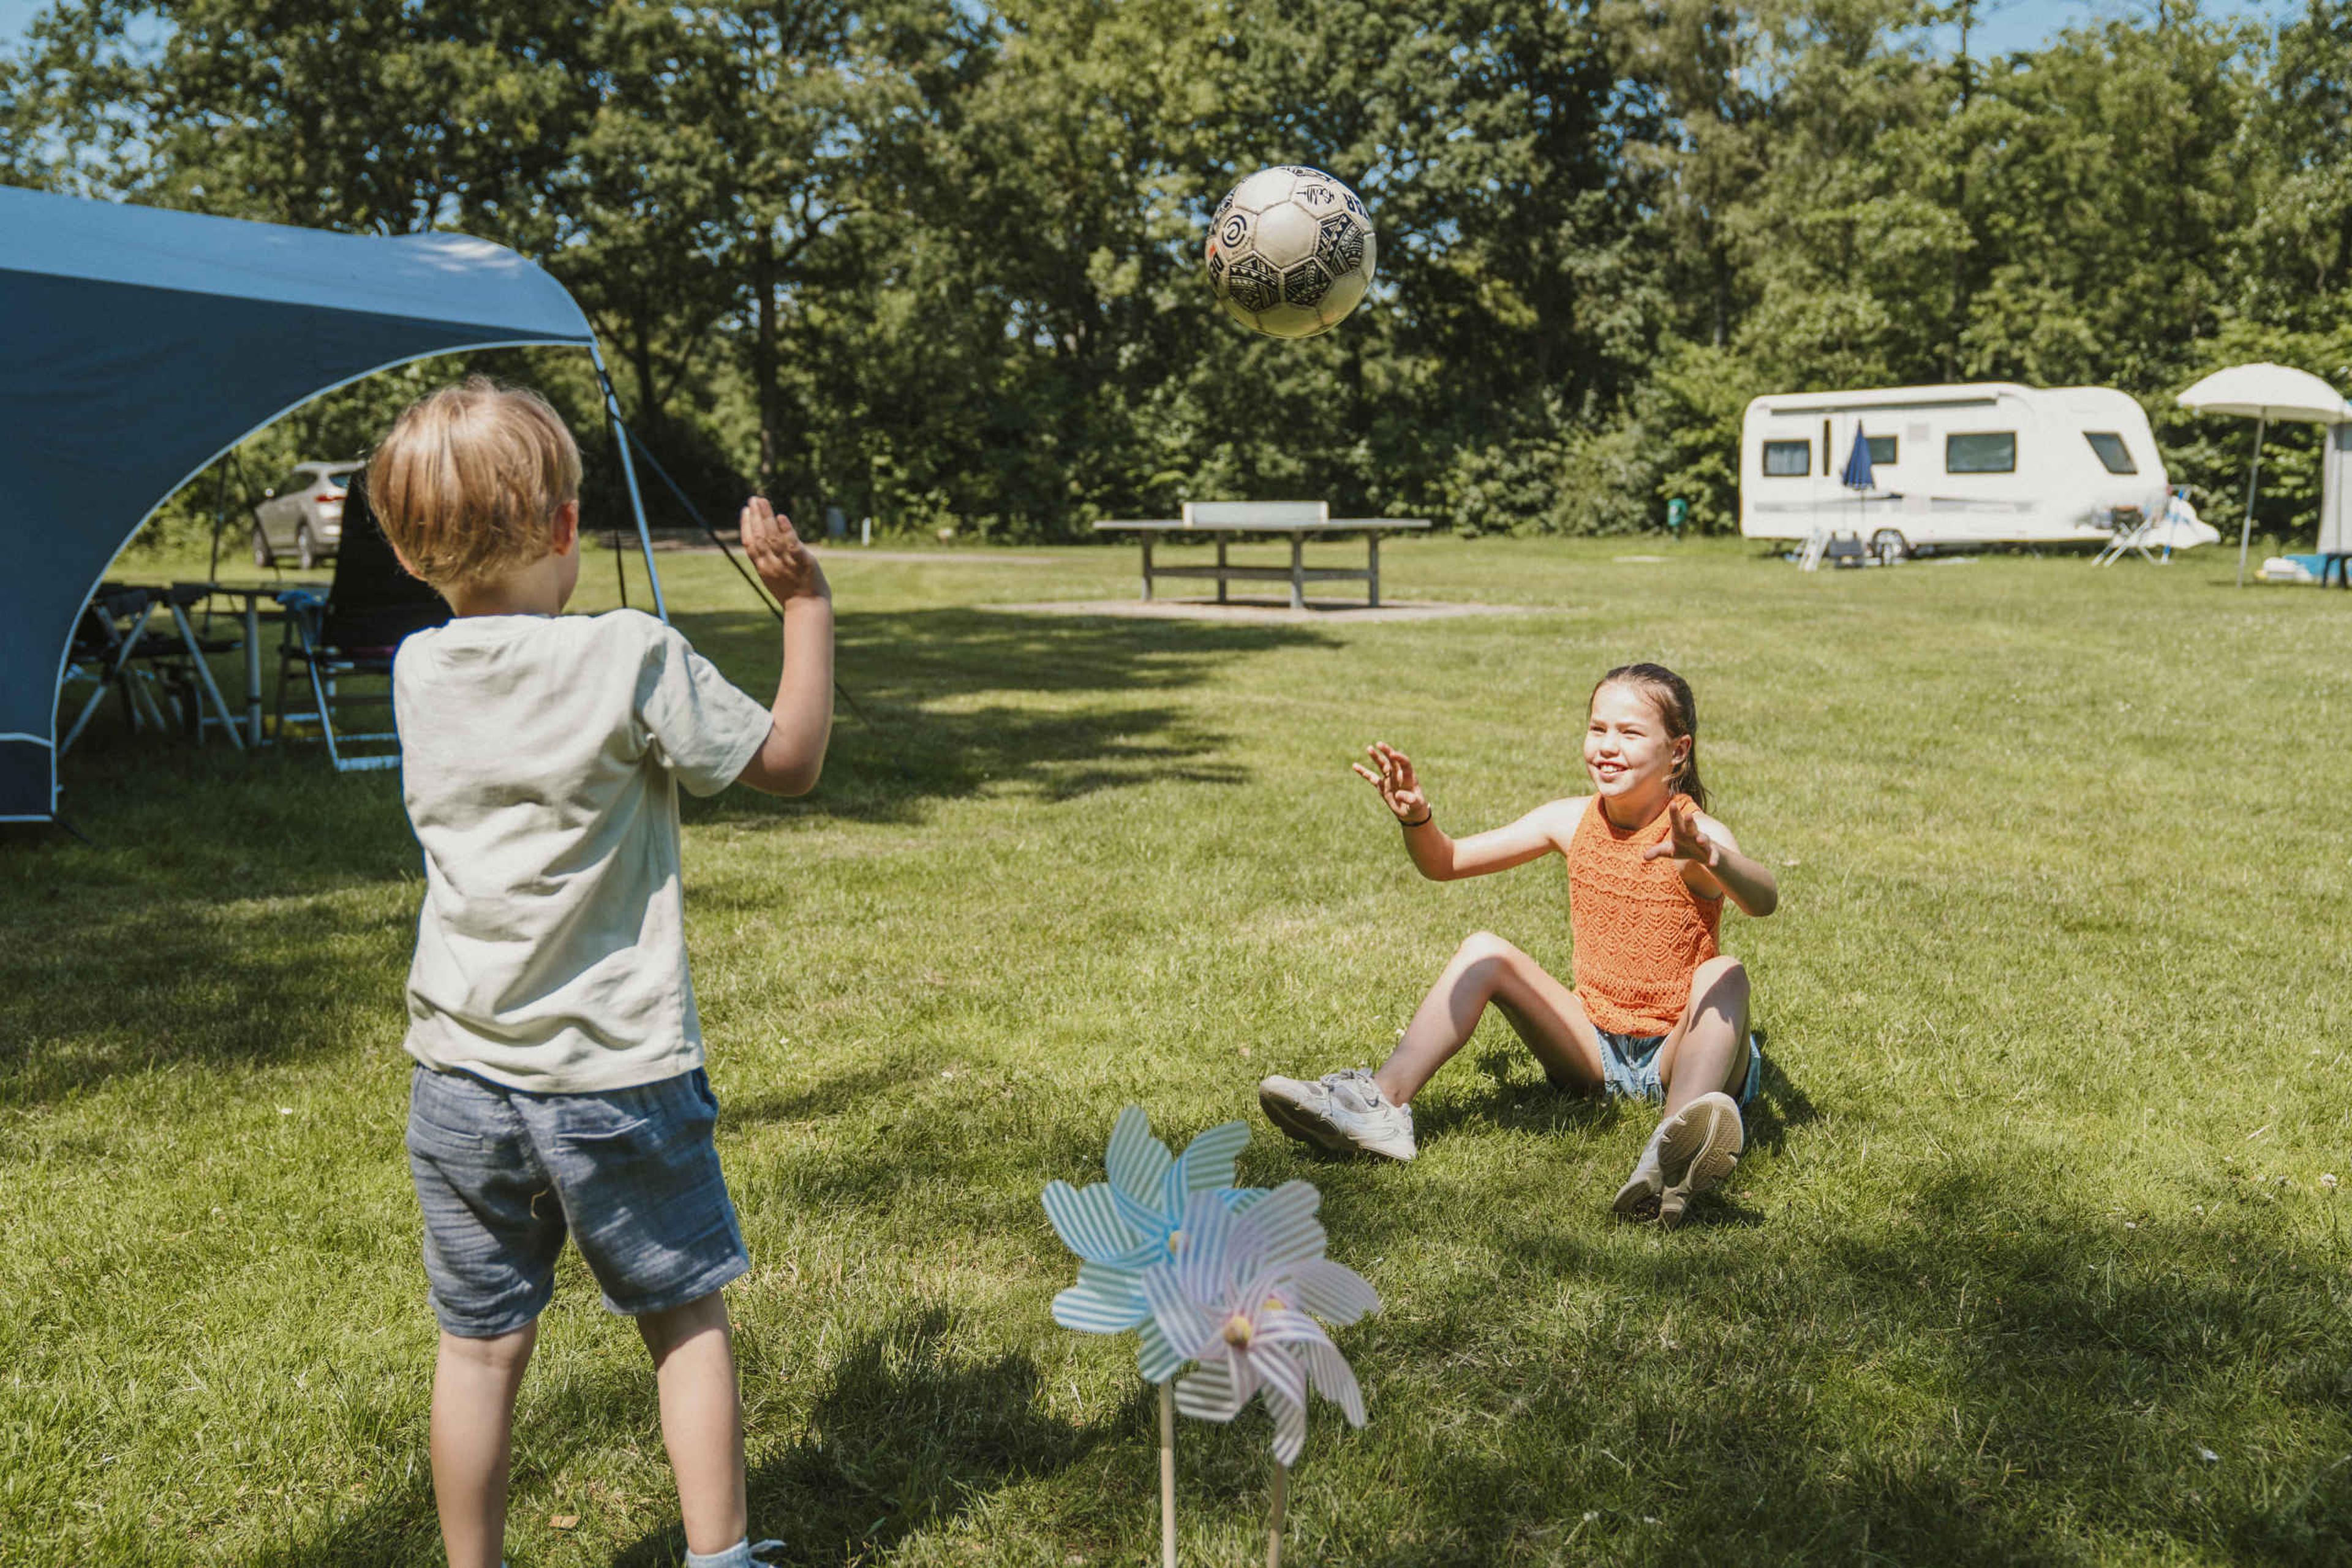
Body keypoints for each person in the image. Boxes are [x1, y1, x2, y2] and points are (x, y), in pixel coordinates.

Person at [370, 377, 832, 1568]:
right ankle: (720, 1556)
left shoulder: (420, 670)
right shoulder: (628, 652)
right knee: (684, 1320)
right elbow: (785, 762)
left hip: (459, 1079)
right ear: (571, 529)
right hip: (616, 1072)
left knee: (477, 1346)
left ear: (416, 552)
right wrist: (806, 609)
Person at [1257, 663, 1778, 1227]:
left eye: (1629, 734)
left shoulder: (1694, 835)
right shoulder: (1569, 820)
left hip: (1682, 1057)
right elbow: (1445, 862)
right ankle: (1381, 1105)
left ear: (1677, 752)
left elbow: (1764, 899)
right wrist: (1419, 819)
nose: (1607, 746)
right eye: (1597, 728)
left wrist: (1711, 858)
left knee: (1724, 973)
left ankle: (1667, 1153)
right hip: (1595, 1048)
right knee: (1485, 949)